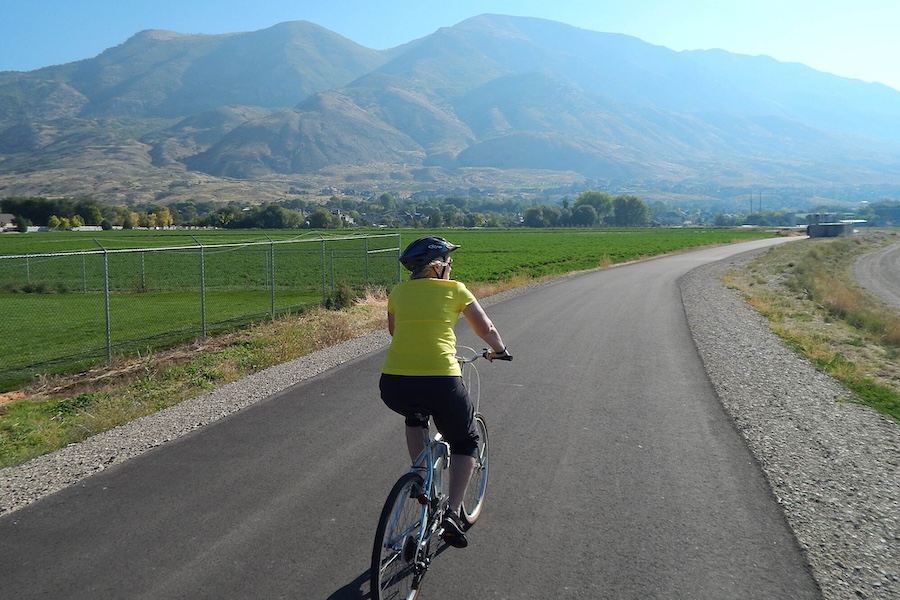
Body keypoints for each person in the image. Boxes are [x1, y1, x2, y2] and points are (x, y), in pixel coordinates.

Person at [380, 236, 511, 548]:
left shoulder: (398, 292)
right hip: (440, 379)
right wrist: (500, 350)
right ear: (437, 267)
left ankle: (420, 476)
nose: (451, 267)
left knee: (414, 417)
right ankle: (452, 513)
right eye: (448, 263)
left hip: (394, 382)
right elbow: (486, 328)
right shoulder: (455, 290)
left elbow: (394, 331)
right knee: (465, 440)